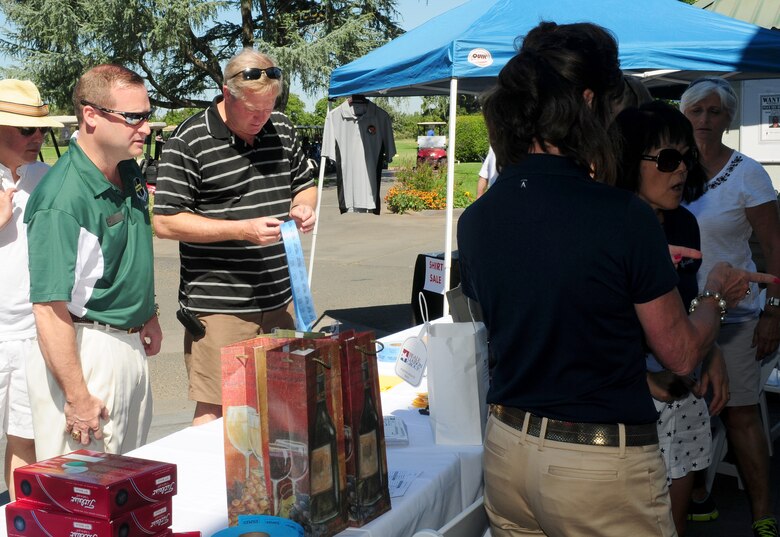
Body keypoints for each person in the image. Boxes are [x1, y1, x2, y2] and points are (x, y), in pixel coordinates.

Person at [457, 21, 773, 537]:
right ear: (586, 101)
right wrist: (716, 292)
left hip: (507, 451)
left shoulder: (479, 216)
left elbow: (548, 306)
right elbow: (681, 355)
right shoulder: (620, 215)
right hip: (595, 465)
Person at [153, 49, 316, 426]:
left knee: (283, 400)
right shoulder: (189, 139)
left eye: (269, 107)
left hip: (279, 298)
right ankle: (210, 484)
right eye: (254, 110)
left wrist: (303, 207)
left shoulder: (284, 128)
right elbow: (165, 221)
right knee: (218, 408)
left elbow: (303, 186)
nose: (263, 118)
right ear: (227, 95)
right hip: (220, 306)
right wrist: (240, 230)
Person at [24, 64, 162, 460]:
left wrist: (146, 313)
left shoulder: (127, 168)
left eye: (146, 116)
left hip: (127, 343)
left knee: (127, 484)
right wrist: (77, 396)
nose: (146, 128)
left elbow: (129, 254)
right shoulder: (62, 199)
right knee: (85, 500)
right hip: (87, 354)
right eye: (133, 117)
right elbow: (48, 310)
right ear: (91, 115)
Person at [614, 101, 729, 536]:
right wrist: (644, 381)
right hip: (625, 396)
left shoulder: (683, 224)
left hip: (680, 383)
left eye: (686, 157)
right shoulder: (610, 228)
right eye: (666, 158)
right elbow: (590, 327)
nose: (680, 169)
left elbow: (681, 305)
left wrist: (710, 348)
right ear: (627, 160)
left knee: (673, 524)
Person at [681, 76, 780, 537]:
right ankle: (697, 495)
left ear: (728, 119)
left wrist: (774, 311)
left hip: (735, 314)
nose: (704, 120)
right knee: (685, 407)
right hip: (678, 311)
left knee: (739, 410)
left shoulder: (747, 173)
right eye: (696, 111)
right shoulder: (669, 167)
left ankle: (762, 512)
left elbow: (775, 246)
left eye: (713, 112)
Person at [0, 80, 63, 495]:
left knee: (27, 437)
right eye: (26, 129)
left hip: (33, 334)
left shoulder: (49, 178)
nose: (37, 137)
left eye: (41, 129)